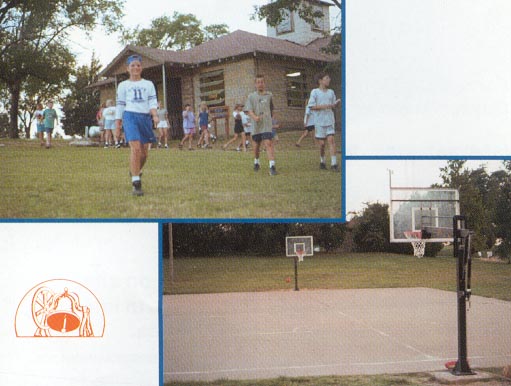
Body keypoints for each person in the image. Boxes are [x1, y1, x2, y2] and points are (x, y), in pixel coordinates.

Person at [115, 54, 159, 196]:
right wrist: (117, 124)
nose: (135, 68)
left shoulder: (148, 84)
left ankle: (135, 170)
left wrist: (155, 115)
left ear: (141, 68)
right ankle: (136, 183)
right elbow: (120, 105)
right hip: (130, 117)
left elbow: (152, 102)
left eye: (138, 65)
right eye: (132, 65)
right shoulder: (123, 85)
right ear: (127, 68)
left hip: (144, 117)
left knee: (145, 151)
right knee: (136, 149)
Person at [308, 72, 341, 171]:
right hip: (319, 122)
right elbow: (312, 106)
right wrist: (326, 106)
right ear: (320, 81)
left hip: (329, 120)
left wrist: (336, 104)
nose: (329, 80)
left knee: (331, 140)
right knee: (322, 144)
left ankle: (334, 164)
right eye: (326, 78)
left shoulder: (331, 92)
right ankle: (322, 161)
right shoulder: (315, 92)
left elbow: (333, 106)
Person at [245, 75, 277, 175]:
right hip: (256, 126)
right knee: (256, 146)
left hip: (266, 125)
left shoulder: (269, 95)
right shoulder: (251, 96)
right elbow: (248, 110)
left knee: (268, 143)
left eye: (262, 82)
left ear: (264, 83)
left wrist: (272, 119)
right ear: (255, 84)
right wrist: (254, 117)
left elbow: (272, 108)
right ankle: (256, 162)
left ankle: (272, 166)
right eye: (258, 82)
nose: (260, 84)